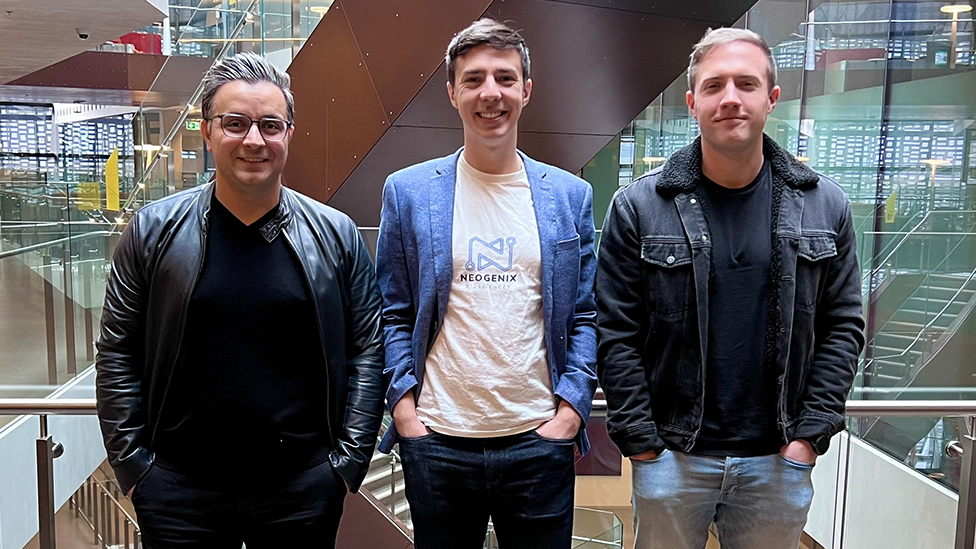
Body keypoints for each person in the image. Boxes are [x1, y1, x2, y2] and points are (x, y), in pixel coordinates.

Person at [95, 52, 384, 548]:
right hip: (178, 491)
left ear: (290, 134)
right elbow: (117, 351)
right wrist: (135, 466)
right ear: (207, 132)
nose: (254, 140)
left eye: (270, 125)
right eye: (235, 123)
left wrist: (347, 463)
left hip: (302, 488)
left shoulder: (336, 235)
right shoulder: (152, 232)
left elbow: (367, 350)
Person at [596, 28, 865, 549]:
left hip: (779, 460)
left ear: (771, 99)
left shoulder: (825, 205)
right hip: (673, 458)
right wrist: (644, 447)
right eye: (715, 86)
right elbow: (616, 332)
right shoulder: (639, 207)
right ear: (694, 103)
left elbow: (843, 327)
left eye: (746, 84)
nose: (731, 99)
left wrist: (807, 440)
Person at [375, 18, 597, 549]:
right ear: (452, 93)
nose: (489, 93)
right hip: (437, 441)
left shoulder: (569, 196)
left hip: (538, 438)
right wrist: (404, 407)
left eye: (504, 77)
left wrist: (570, 411)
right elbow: (393, 311)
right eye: (473, 79)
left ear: (526, 89)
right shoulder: (407, 192)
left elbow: (586, 314)